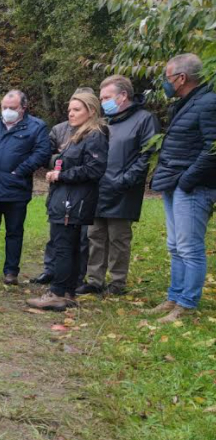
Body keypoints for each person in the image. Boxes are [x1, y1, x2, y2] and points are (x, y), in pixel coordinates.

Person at [146, 53, 216, 323]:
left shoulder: (209, 103)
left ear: (182, 78)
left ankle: (187, 304)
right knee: (175, 245)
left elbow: (212, 149)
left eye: (168, 77)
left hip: (193, 186)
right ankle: (174, 297)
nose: (166, 82)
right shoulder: (185, 104)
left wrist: (187, 180)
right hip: (174, 182)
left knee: (190, 247)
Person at [77, 75, 160, 296]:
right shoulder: (104, 122)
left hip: (123, 190)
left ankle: (117, 282)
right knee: (95, 236)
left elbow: (146, 155)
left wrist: (124, 180)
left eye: (107, 97)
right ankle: (94, 279)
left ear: (123, 96)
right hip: (98, 187)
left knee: (118, 238)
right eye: (101, 97)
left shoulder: (144, 119)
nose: (103, 102)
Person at [28, 90, 108, 311]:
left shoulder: (95, 134)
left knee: (64, 246)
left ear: (91, 111)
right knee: (69, 246)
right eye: (69, 110)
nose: (71, 114)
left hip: (74, 201)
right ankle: (68, 292)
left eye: (76, 109)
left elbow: (95, 168)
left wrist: (61, 175)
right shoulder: (77, 134)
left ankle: (57, 292)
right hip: (66, 198)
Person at [0, 90, 51, 285]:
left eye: (13, 108)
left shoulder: (36, 126)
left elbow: (43, 152)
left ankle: (11, 271)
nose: (8, 111)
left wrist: (21, 170)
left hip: (16, 189)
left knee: (14, 232)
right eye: (4, 107)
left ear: (23, 108)